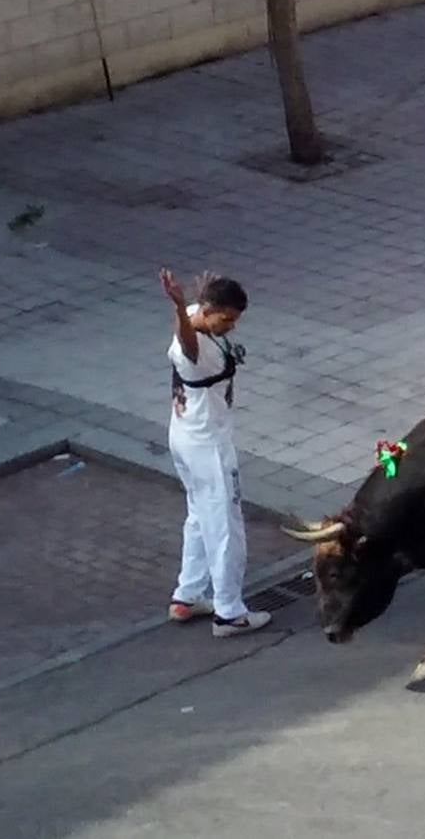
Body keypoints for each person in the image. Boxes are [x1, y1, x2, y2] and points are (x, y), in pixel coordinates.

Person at [160, 267, 271, 638]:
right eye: (227, 319)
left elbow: (193, 317)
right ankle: (229, 611)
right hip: (208, 445)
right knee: (225, 524)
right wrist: (178, 307)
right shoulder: (196, 349)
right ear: (209, 312)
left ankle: (187, 594)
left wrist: (191, 298)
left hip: (185, 437)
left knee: (198, 516)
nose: (232, 327)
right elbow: (187, 338)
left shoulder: (200, 313)